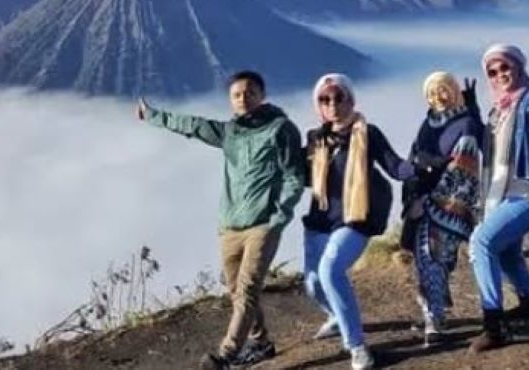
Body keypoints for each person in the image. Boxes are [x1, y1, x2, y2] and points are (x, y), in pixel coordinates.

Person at [136, 71, 304, 370]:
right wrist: (152, 116)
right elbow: (193, 126)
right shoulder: (230, 133)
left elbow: (294, 176)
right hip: (230, 225)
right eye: (237, 94)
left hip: (263, 224)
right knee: (237, 291)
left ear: (262, 95)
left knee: (248, 288)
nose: (243, 98)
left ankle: (226, 355)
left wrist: (279, 217)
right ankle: (261, 342)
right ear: (230, 100)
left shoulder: (281, 129)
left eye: (250, 92)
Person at [301, 73, 417, 370]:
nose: (333, 104)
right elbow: (304, 176)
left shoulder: (369, 134)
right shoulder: (316, 139)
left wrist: (424, 165)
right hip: (320, 219)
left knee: (330, 270)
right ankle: (338, 317)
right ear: (319, 106)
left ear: (351, 100)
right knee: (313, 284)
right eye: (325, 99)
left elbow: (396, 167)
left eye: (339, 97)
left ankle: (357, 347)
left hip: (355, 219)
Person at [468, 44, 529, 353]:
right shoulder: (499, 110)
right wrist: (474, 116)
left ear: (519, 67)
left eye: (505, 67)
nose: (500, 75)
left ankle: (494, 326)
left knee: (481, 243)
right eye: (492, 72)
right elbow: (495, 155)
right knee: (505, 252)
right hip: (503, 192)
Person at [399, 71, 484, 347]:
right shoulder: (428, 123)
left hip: (447, 204)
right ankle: (434, 315)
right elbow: (415, 159)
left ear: (455, 90)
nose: (439, 97)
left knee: (436, 260)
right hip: (424, 202)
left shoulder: (467, 123)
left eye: (444, 89)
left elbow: (465, 165)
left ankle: (434, 316)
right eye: (432, 93)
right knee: (427, 260)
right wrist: (413, 198)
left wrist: (433, 199)